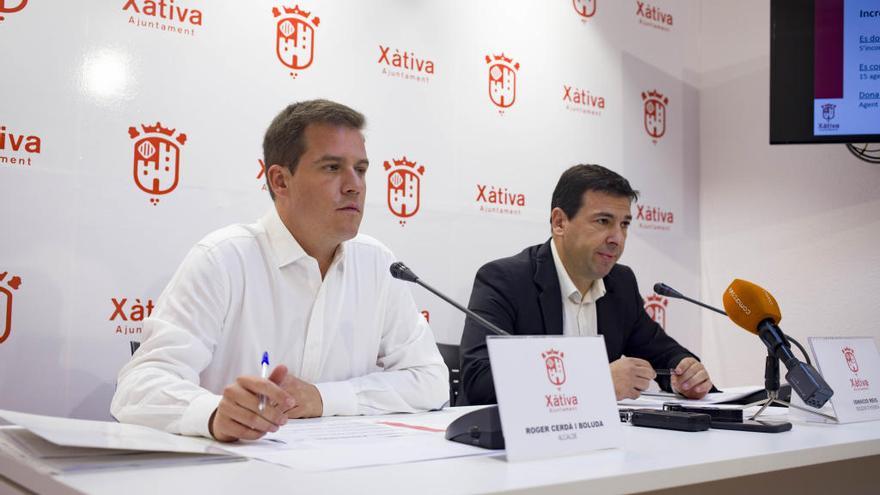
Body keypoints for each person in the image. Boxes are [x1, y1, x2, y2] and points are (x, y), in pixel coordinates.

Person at [111, 99, 448, 441]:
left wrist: (321, 398)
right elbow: (139, 386)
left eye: (360, 169)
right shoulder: (223, 259)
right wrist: (213, 414)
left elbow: (431, 380)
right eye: (332, 168)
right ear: (280, 181)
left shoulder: (378, 264)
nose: (354, 185)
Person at [460, 164, 713, 405]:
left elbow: (663, 354)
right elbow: (480, 380)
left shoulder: (620, 283)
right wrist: (597, 380)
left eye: (624, 224)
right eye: (603, 221)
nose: (617, 238)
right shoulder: (506, 280)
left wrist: (685, 374)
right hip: (511, 445)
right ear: (560, 222)